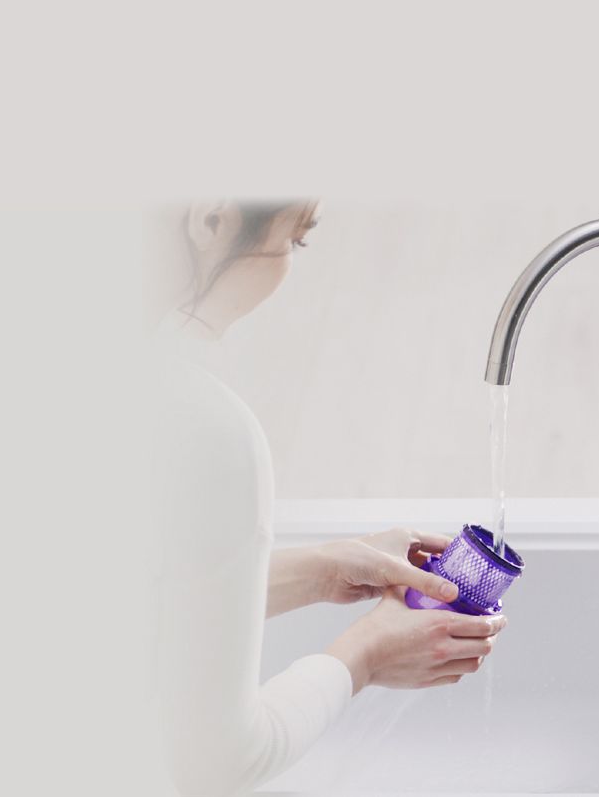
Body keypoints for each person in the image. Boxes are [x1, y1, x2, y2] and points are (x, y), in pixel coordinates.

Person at [148, 200, 506, 796]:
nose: (290, 263)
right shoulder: (204, 433)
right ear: (212, 220)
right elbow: (218, 762)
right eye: (295, 239)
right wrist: (366, 655)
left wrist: (319, 573)